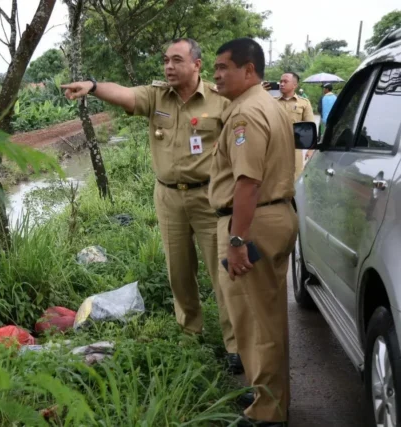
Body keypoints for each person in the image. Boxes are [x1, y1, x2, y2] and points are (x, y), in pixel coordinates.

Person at [61, 38, 241, 373]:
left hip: (209, 197)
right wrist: (93, 86)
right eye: (165, 60)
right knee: (178, 270)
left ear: (196, 65)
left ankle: (235, 345)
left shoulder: (219, 101)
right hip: (169, 197)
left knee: (223, 274)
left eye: (177, 60)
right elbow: (125, 94)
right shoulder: (157, 96)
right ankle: (190, 332)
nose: (169, 66)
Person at [210, 37, 298, 427]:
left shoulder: (246, 113)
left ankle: (268, 412)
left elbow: (247, 182)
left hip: (253, 221)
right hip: (272, 216)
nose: (216, 75)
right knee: (268, 315)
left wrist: (236, 240)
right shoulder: (268, 104)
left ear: (249, 70)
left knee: (254, 321)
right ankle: (270, 397)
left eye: (224, 67)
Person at [263, 72, 315, 178]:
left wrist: (311, 149)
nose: (281, 84)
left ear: (295, 85)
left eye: (285, 81)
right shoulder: (271, 102)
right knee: (273, 180)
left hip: (294, 149)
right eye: (281, 81)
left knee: (294, 180)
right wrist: (261, 93)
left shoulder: (304, 103)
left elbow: (310, 127)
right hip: (274, 149)